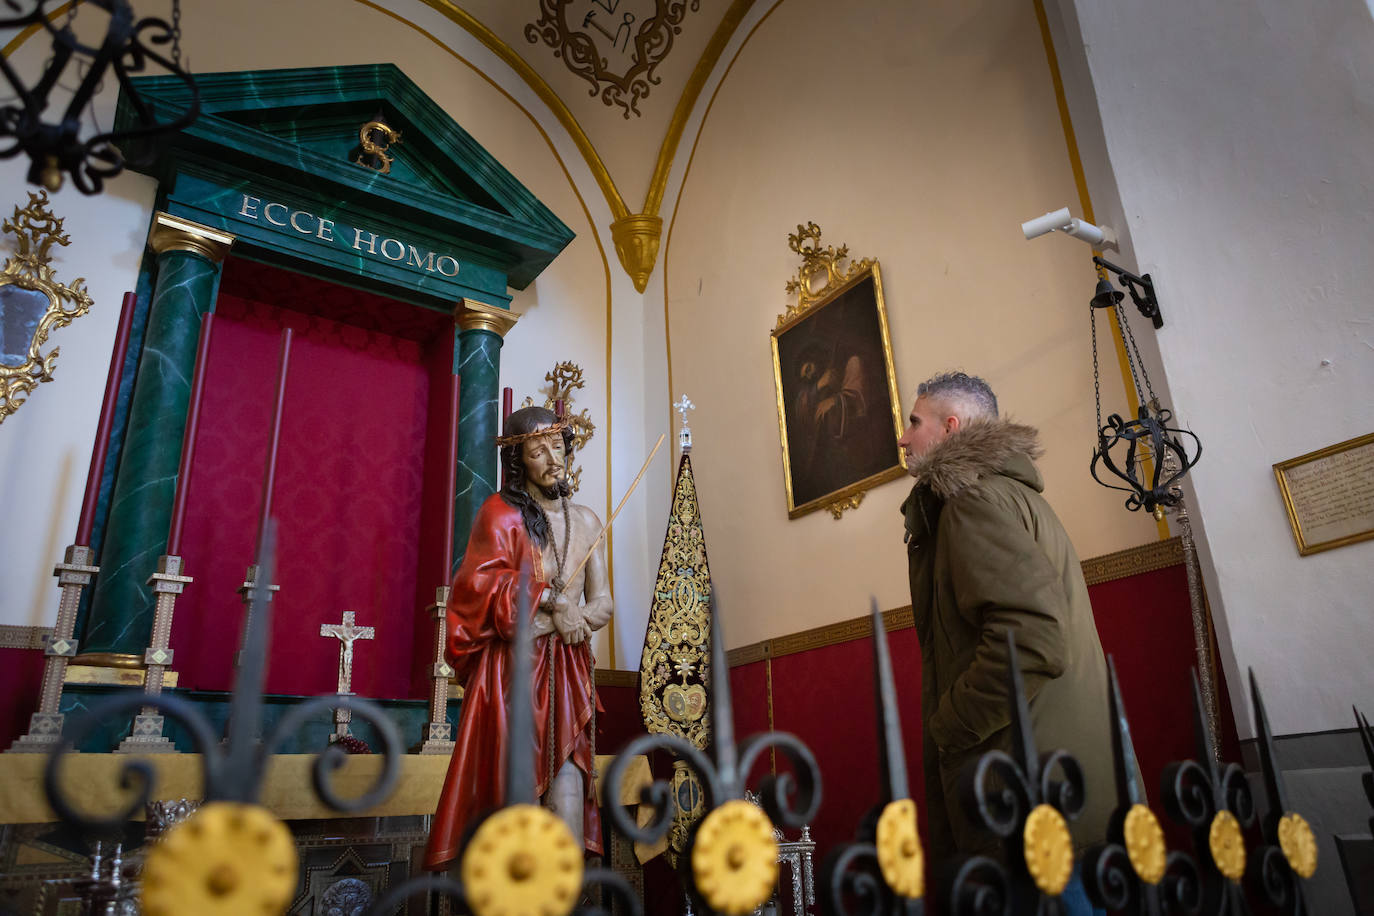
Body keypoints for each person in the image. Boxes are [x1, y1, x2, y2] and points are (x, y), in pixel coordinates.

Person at [897, 371, 1111, 916]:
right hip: (1059, 782)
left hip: (1023, 791)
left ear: (950, 427)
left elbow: (1034, 639)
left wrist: (949, 727)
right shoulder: (1015, 496)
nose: (903, 437)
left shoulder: (973, 501)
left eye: (914, 422)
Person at [424, 406, 613, 872]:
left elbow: (604, 602)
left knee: (568, 791)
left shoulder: (588, 521)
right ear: (519, 463)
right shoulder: (500, 514)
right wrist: (552, 602)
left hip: (568, 671)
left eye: (557, 446)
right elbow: (476, 591)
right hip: (512, 677)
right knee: (517, 797)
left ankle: (559, 891)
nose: (553, 459)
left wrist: (578, 619)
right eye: (537, 451)